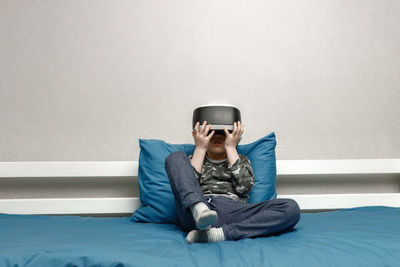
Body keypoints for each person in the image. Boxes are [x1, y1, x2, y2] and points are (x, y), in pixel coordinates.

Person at [165, 120, 300, 244]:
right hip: (196, 211)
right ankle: (200, 210)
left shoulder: (241, 160)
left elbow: (244, 187)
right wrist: (200, 148)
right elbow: (189, 186)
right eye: (212, 132)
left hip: (233, 211)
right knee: (175, 157)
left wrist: (231, 147)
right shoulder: (192, 159)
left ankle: (218, 234)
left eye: (223, 133)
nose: (217, 137)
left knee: (291, 208)